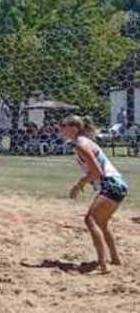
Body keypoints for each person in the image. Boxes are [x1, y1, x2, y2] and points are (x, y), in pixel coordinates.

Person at [60, 115, 128, 273]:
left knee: (90, 220)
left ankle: (103, 265)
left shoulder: (81, 144)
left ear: (74, 128)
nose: (61, 129)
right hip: (117, 185)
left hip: (111, 185)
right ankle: (115, 259)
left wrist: (79, 185)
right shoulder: (83, 142)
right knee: (101, 223)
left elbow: (96, 172)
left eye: (64, 126)